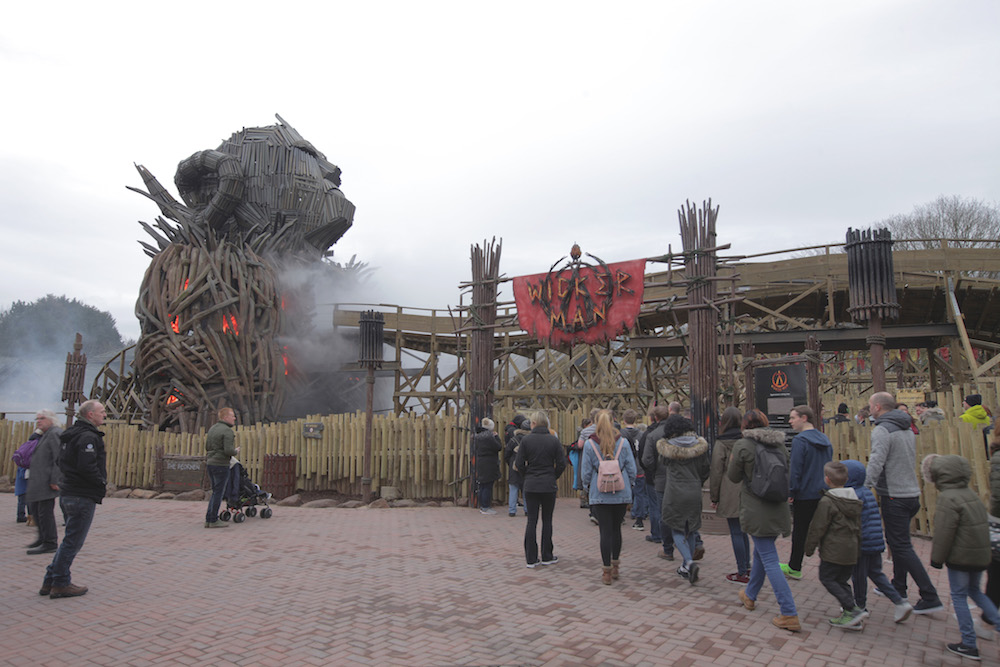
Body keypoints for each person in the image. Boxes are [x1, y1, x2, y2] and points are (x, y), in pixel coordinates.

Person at [865, 391, 943, 614]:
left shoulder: (882, 429)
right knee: (899, 541)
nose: (869, 409)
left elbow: (877, 460)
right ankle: (898, 585)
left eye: (871, 405)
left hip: (894, 494)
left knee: (900, 545)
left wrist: (865, 486)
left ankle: (929, 595)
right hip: (910, 492)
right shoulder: (907, 427)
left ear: (878, 407)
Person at [727, 409, 800, 632]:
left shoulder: (743, 446)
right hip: (777, 507)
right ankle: (750, 595)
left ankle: (789, 612)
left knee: (768, 558)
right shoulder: (778, 444)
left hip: (755, 507)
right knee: (761, 552)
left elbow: (733, 476)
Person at [923, 453, 1000, 660]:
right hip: (980, 555)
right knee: (976, 591)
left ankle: (968, 643)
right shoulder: (970, 493)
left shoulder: (948, 498)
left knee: (958, 596)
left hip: (961, 557)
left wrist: (937, 559)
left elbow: (944, 533)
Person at [41, 400, 107, 599]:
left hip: (68, 492)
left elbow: (60, 461)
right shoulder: (87, 436)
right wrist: (100, 483)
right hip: (81, 495)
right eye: (102, 411)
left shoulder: (70, 435)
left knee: (69, 540)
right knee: (73, 542)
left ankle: (50, 580)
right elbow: (87, 467)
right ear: (90, 415)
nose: (105, 414)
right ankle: (60, 582)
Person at [843, 459, 914, 623]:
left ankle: (859, 606)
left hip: (863, 543)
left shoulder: (852, 495)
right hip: (875, 541)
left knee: (859, 575)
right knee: (875, 573)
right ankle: (900, 601)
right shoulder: (867, 492)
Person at [803, 461, 866, 629]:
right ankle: (850, 615)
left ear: (827, 479)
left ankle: (852, 609)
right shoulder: (854, 499)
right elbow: (859, 526)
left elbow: (818, 527)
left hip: (834, 550)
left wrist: (808, 548)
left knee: (827, 577)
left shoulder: (827, 502)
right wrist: (858, 547)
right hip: (851, 549)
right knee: (841, 580)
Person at [581, 410, 636, 584]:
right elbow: (632, 468)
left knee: (604, 531)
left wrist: (586, 486)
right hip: (620, 491)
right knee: (616, 530)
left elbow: (586, 471)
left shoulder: (590, 444)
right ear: (613, 422)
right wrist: (630, 484)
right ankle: (616, 565)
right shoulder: (623, 442)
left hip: (600, 492)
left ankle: (606, 571)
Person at [656, 414, 710, 584]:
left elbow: (661, 463)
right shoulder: (699, 447)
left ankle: (689, 562)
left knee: (676, 528)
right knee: (692, 528)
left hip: (674, 492)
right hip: (694, 490)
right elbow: (705, 469)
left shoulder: (667, 449)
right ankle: (686, 567)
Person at [781, 405, 832, 580]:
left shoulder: (800, 441)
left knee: (800, 531)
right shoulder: (825, 439)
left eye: (793, 418)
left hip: (804, 493)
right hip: (823, 492)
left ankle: (795, 566)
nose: (790, 421)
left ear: (804, 418)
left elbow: (796, 469)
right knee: (826, 531)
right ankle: (832, 568)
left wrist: (791, 491)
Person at [514, 410, 566, 568]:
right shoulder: (553, 441)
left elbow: (519, 463)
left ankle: (531, 557)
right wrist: (553, 475)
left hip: (531, 484)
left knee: (532, 521)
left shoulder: (526, 440)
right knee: (547, 520)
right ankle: (547, 555)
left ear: (533, 423)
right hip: (548, 484)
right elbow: (562, 463)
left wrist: (527, 475)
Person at [710, 406, 751, 584]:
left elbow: (716, 471)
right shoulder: (746, 440)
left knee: (735, 531)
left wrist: (714, 497)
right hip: (747, 490)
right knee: (744, 532)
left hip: (729, 490)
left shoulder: (721, 443)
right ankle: (747, 566)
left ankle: (742, 571)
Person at [25, 410, 63, 555]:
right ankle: (42, 538)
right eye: (37, 419)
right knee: (36, 510)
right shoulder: (45, 434)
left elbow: (58, 458)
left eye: (42, 418)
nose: (38, 421)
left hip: (47, 481)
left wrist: (55, 479)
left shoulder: (54, 433)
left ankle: (50, 542)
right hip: (40, 480)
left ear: (51, 420)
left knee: (45, 513)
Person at [640, 404, 674, 560]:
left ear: (655, 417)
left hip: (658, 478)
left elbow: (646, 459)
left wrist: (653, 471)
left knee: (658, 509)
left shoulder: (652, 434)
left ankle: (661, 539)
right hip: (676, 477)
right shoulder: (677, 432)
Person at [205, 407, 239, 528]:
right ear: (225, 418)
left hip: (210, 463)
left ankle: (209, 519)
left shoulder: (212, 429)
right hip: (221, 464)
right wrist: (235, 451)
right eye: (232, 415)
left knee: (215, 492)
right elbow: (228, 450)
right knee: (218, 493)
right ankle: (213, 520)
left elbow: (207, 446)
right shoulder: (227, 431)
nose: (234, 418)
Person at [620, 409, 646, 530]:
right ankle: (639, 518)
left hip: (624, 468)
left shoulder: (620, 434)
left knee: (622, 491)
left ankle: (621, 517)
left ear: (624, 420)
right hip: (639, 467)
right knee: (639, 493)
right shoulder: (641, 434)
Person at [473, 418, 503, 515]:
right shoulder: (490, 437)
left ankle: (482, 505)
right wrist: (497, 437)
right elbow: (498, 447)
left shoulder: (477, 436)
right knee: (488, 485)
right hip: (489, 462)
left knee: (482, 485)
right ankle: (486, 507)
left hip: (481, 461)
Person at [12, 430, 41, 523]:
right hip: (30, 471)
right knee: (30, 495)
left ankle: (21, 515)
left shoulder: (26, 444)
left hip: (21, 470)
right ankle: (31, 517)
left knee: (22, 495)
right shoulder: (37, 444)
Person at [504, 416, 530, 517]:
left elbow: (507, 453)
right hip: (527, 466)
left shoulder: (514, 439)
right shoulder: (530, 439)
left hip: (514, 465)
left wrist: (510, 463)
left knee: (513, 489)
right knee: (526, 489)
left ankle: (512, 510)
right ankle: (527, 510)